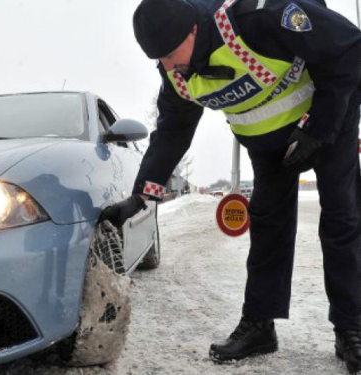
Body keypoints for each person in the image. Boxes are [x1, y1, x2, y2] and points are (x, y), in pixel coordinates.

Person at [101, 0, 361, 373]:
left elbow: (350, 48)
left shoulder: (258, 17)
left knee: (341, 217)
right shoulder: (177, 71)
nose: (169, 66)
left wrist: (318, 129)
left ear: (193, 29)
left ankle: (351, 328)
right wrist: (141, 196)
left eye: (171, 54)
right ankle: (259, 325)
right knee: (268, 225)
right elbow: (173, 131)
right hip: (269, 145)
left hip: (326, 119)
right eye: (159, 60)